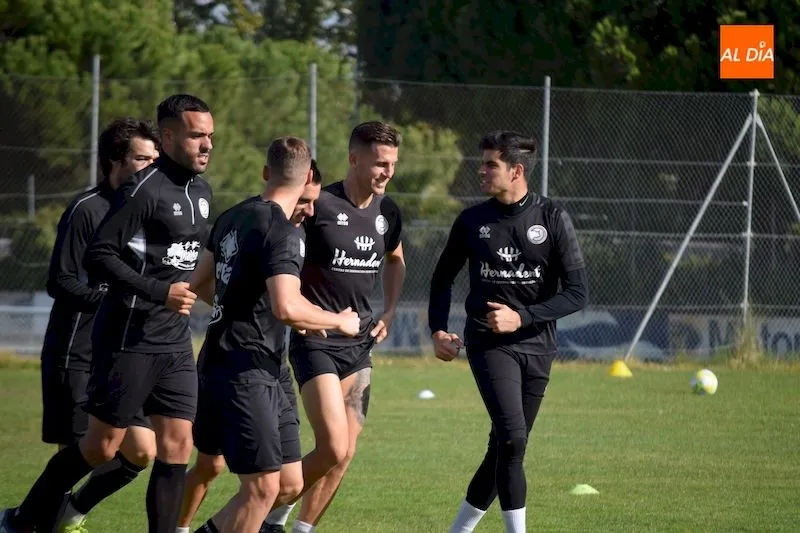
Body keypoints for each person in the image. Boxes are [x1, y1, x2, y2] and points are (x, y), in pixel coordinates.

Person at [0, 93, 215, 533]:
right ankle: (21, 521)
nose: (207, 144)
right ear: (168, 136)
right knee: (101, 447)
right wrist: (158, 291)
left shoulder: (202, 191)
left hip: (174, 340)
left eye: (210, 135)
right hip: (128, 339)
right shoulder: (142, 190)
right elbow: (99, 255)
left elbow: (187, 263)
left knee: (177, 445)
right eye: (197, 135)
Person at [186, 139, 359, 533]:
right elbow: (286, 307)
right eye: (308, 200)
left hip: (251, 364)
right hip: (245, 368)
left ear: (267, 172)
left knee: (289, 482)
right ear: (308, 177)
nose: (309, 211)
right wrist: (338, 321)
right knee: (262, 489)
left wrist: (244, 305)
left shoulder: (233, 216)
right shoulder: (284, 231)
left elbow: (199, 283)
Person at [427, 130, 589, 533]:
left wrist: (524, 317)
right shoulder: (472, 221)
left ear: (516, 171)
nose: (481, 171)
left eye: (490, 165)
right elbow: (442, 279)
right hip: (487, 344)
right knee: (513, 439)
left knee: (506, 446)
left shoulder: (552, 218)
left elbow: (577, 293)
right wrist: (438, 330)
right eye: (482, 163)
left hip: (538, 346)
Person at [272, 121, 406, 533]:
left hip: (360, 345)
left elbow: (396, 260)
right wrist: (301, 312)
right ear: (354, 159)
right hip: (316, 341)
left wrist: (389, 311)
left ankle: (295, 527)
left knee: (344, 453)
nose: (387, 172)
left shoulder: (388, 212)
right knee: (333, 445)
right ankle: (261, 513)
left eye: (392, 164)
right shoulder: (320, 205)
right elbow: (285, 260)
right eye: (380, 163)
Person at [39, 117, 161, 533]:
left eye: (155, 159)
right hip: (76, 350)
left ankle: (71, 513)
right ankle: (38, 522)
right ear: (115, 160)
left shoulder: (145, 208)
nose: (151, 167)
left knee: (142, 449)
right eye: (142, 159)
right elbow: (60, 280)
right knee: (80, 452)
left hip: (122, 352)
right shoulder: (86, 210)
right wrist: (111, 301)